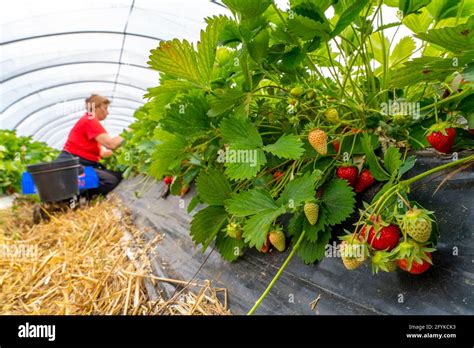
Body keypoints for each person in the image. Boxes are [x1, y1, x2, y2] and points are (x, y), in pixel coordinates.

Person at [56, 94, 124, 196]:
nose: (107, 112)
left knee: (116, 176)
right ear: (96, 107)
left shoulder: (89, 121)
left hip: (76, 165)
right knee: (110, 180)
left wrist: (124, 151)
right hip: (71, 164)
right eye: (105, 108)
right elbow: (111, 144)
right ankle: (65, 196)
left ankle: (75, 195)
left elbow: (103, 153)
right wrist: (130, 132)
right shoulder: (89, 120)